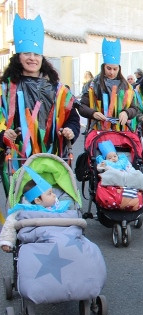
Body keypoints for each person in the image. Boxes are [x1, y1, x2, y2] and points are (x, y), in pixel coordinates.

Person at [0, 14, 80, 196]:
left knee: (52, 204)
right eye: (26, 53)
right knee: (22, 204)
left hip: (52, 160)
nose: (32, 58)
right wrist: (3, 134)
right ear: (18, 56)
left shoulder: (58, 89)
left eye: (36, 54)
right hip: (18, 161)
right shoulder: (5, 89)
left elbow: (72, 118)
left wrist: (70, 130)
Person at [76, 38, 141, 132]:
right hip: (98, 132)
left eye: (115, 69)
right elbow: (82, 106)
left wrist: (126, 113)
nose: (111, 72)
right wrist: (93, 113)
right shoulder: (93, 84)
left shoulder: (127, 86)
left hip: (121, 133)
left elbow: (134, 108)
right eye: (109, 68)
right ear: (103, 67)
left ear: (119, 68)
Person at [0, 166, 71, 252]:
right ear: (38, 200)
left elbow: (69, 216)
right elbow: (10, 223)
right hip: (35, 238)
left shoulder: (58, 205)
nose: (54, 195)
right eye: (50, 193)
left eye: (52, 192)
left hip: (57, 233)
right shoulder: (23, 210)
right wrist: (6, 241)